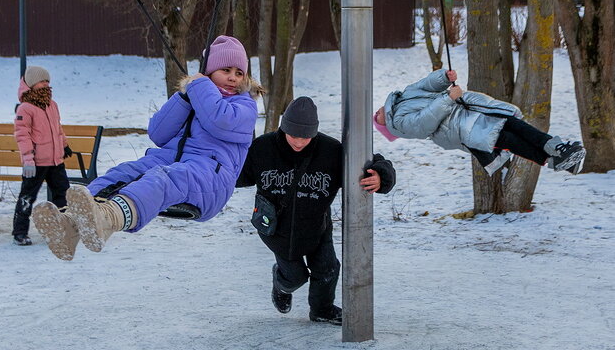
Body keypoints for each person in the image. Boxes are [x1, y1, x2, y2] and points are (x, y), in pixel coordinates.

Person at [32, 35, 262, 261]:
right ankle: (72, 224)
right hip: (170, 161)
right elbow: (158, 133)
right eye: (226, 70)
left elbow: (220, 120)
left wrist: (200, 86)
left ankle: (108, 218)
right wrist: (184, 98)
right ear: (209, 71)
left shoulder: (244, 105)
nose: (233, 78)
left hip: (210, 177)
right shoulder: (194, 97)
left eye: (239, 73)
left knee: (163, 177)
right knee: (125, 171)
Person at [237, 96, 396, 326]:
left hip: (316, 226)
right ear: (284, 128)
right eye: (294, 135)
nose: (299, 142)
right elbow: (235, 173)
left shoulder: (331, 151)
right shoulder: (263, 148)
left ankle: (322, 310)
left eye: (306, 136)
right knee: (295, 277)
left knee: (328, 269)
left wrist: (381, 175)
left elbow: (373, 161)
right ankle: (282, 285)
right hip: (276, 229)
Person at [374, 68, 586, 175]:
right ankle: (555, 159)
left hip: (468, 111)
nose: (377, 113)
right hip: (460, 128)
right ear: (386, 127)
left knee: (514, 124)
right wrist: (448, 98)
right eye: (377, 119)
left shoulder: (404, 94)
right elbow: (425, 122)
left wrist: (444, 77)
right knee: (509, 139)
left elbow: (426, 84)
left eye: (375, 113)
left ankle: (558, 149)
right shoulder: (399, 125)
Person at [12, 65, 72, 247]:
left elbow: (58, 129)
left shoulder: (52, 105)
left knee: (63, 194)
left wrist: (65, 145)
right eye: (41, 81)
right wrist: (28, 159)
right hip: (36, 163)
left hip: (55, 161)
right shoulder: (25, 108)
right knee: (27, 197)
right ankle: (20, 232)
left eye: (47, 81)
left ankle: (62, 228)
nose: (45, 84)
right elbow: (22, 135)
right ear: (31, 84)